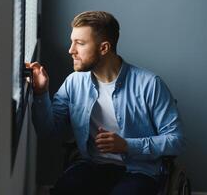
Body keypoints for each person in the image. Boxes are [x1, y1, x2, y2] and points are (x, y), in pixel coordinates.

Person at [29, 11, 185, 195]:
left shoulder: (150, 85)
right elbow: (48, 131)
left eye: (80, 43)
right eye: (72, 41)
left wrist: (126, 145)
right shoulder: (74, 82)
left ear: (104, 48)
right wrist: (41, 92)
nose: (71, 50)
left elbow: (176, 140)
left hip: (139, 171)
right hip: (91, 165)